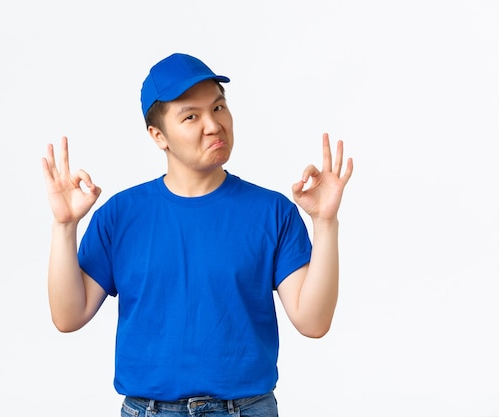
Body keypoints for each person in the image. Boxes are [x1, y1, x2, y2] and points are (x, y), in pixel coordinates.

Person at [41, 52, 353, 416]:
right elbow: (68, 316)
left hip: (246, 409)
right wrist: (65, 226)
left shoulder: (272, 212)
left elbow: (313, 322)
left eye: (219, 108)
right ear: (159, 135)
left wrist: (326, 222)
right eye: (191, 116)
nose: (213, 125)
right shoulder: (120, 215)